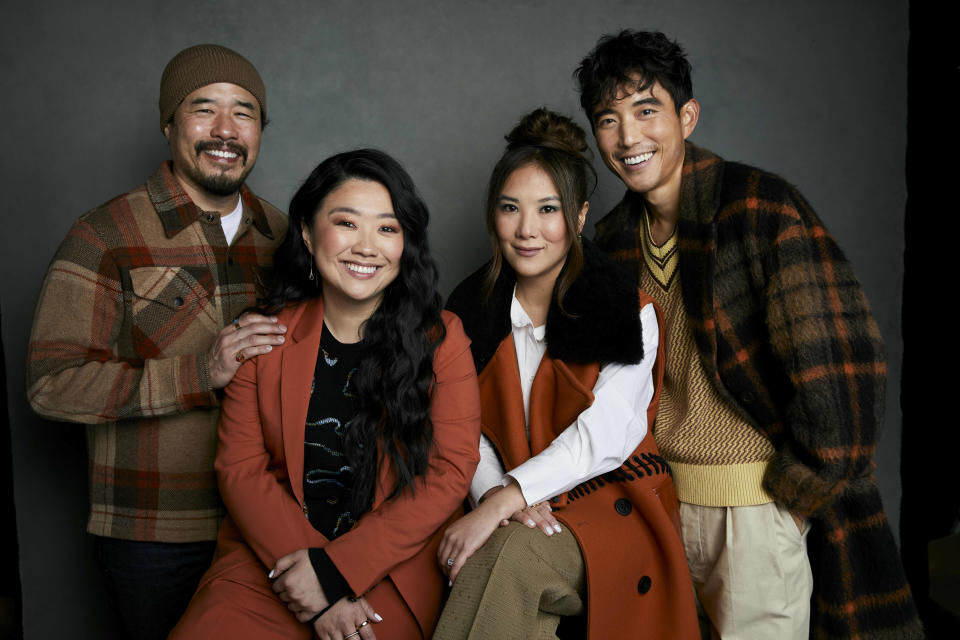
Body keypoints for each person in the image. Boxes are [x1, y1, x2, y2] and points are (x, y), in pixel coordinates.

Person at [575, 30, 922, 639]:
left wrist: (791, 496)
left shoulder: (759, 208)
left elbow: (844, 368)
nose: (628, 137)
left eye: (646, 110)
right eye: (609, 119)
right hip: (655, 506)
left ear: (688, 116)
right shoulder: (611, 243)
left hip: (755, 510)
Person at [25, 44, 288, 639]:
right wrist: (197, 373)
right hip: (155, 537)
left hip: (270, 525)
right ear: (169, 124)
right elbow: (51, 385)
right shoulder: (103, 235)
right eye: (204, 109)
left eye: (244, 112)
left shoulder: (286, 234)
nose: (225, 130)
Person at [170, 149, 482, 640]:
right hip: (272, 563)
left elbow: (449, 472)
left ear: (405, 244)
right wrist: (309, 579)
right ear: (309, 232)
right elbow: (241, 469)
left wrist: (337, 572)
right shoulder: (265, 337)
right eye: (346, 223)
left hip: (385, 567)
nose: (366, 246)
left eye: (387, 228)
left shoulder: (441, 339)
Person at [435, 109, 698, 639]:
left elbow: (604, 436)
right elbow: (464, 431)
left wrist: (510, 497)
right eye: (510, 209)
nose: (527, 230)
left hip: (610, 502)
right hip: (517, 505)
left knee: (506, 556)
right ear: (493, 216)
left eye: (547, 210)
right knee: (498, 567)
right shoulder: (469, 307)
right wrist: (494, 498)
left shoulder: (624, 307)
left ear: (578, 218)